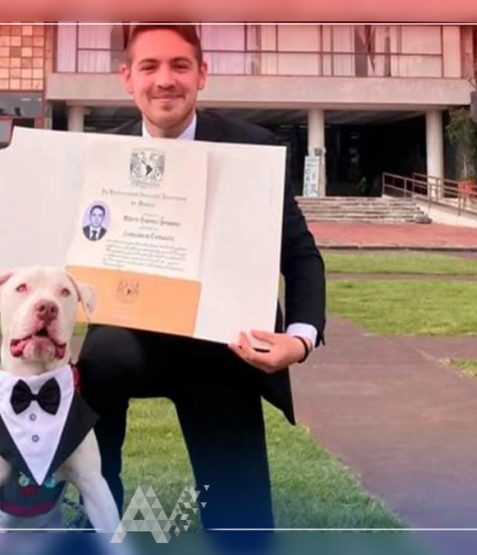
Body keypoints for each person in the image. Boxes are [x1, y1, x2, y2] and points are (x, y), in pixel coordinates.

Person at [77, 24, 327, 531]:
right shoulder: (98, 157)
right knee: (98, 359)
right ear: (127, 78)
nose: (164, 80)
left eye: (179, 65)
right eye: (149, 66)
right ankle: (95, 513)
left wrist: (299, 338)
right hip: (125, 342)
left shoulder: (253, 151)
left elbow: (300, 253)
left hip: (219, 347)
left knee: (244, 528)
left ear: (202, 74)